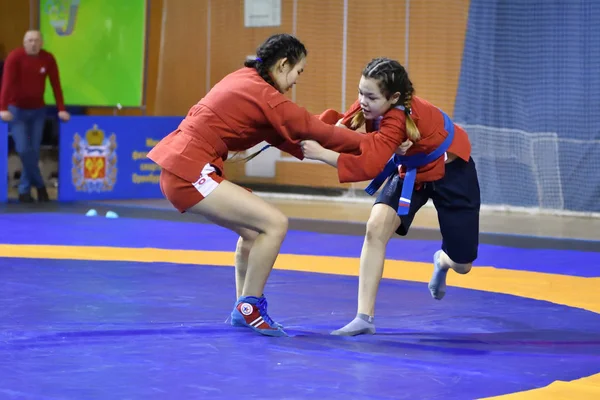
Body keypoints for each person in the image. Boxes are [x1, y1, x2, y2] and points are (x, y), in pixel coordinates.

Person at [147, 34, 364, 337]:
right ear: (283, 64)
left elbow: (294, 135)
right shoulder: (262, 93)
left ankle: (242, 308)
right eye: (298, 72)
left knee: (252, 233)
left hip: (184, 167)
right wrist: (375, 144)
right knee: (275, 223)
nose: (297, 81)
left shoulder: (248, 82)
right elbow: (307, 127)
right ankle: (250, 307)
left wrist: (337, 126)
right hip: (189, 170)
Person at [300, 57, 481, 336]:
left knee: (463, 264)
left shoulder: (397, 118)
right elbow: (338, 130)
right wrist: (295, 130)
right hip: (412, 172)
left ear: (393, 97)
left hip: (453, 172)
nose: (362, 100)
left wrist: (321, 154)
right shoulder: (368, 106)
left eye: (370, 96)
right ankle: (364, 318)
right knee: (375, 228)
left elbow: (368, 165)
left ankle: (442, 261)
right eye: (361, 92)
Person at [0, 30, 70, 203]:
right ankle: (40, 186)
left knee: (34, 150)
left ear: (42, 43)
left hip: (38, 110)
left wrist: (61, 108)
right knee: (24, 149)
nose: (33, 43)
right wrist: (2, 108)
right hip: (16, 110)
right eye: (30, 40)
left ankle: (24, 191)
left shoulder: (48, 59)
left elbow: (56, 84)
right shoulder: (14, 57)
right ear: (24, 43)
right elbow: (6, 83)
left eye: (36, 40)